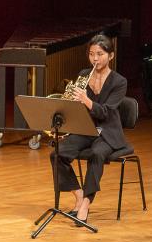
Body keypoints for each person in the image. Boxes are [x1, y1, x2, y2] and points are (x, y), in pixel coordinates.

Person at [49, 33, 128, 223]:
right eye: (92, 54)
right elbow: (75, 107)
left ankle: (85, 204)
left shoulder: (119, 82)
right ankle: (78, 194)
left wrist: (86, 100)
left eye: (100, 54)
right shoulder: (84, 75)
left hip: (108, 132)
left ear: (110, 56)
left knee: (97, 154)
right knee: (57, 154)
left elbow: (106, 113)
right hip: (86, 129)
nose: (95, 59)